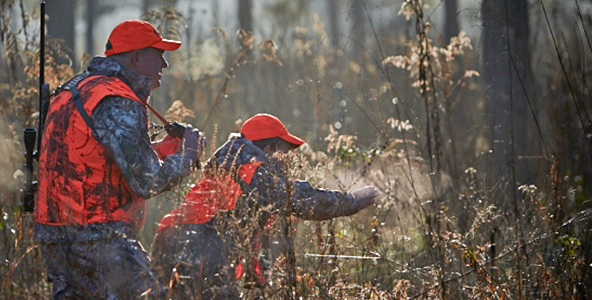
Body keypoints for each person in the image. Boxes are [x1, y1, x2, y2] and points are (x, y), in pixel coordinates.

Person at [33, 20, 204, 299]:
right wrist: (188, 156)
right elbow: (147, 182)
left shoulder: (76, 89)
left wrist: (158, 150)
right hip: (99, 236)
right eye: (159, 55)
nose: (164, 65)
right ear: (136, 57)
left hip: (55, 234)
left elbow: (92, 157)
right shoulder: (117, 99)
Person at [151, 113, 378, 299]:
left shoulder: (236, 165)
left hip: (177, 245)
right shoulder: (251, 169)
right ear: (268, 150)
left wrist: (254, 274)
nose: (287, 161)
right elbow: (300, 198)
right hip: (192, 250)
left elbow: (244, 230)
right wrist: (352, 201)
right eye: (285, 152)